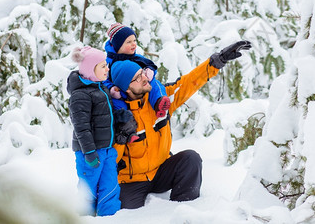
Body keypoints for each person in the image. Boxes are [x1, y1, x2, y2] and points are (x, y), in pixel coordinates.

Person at [110, 40, 252, 209]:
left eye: (142, 73)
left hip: (161, 170)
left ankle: (183, 211)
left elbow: (187, 83)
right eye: (137, 78)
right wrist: (120, 138)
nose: (144, 79)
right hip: (131, 180)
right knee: (127, 216)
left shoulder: (158, 100)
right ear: (126, 88)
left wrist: (217, 61)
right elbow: (111, 161)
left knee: (191, 159)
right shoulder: (116, 116)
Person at [67, 46, 121, 216]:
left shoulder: (101, 89)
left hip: (107, 149)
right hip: (89, 153)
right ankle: (84, 218)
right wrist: (89, 152)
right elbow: (81, 127)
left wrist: (122, 116)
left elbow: (107, 115)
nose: (107, 68)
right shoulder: (80, 95)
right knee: (88, 191)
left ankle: (110, 217)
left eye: (106, 65)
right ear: (91, 69)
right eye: (103, 66)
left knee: (110, 186)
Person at [104, 23, 171, 121]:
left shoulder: (136, 57)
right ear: (118, 46)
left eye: (134, 40)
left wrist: (149, 71)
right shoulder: (109, 62)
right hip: (122, 92)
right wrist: (111, 88)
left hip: (139, 86)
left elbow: (150, 64)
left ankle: (159, 102)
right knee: (115, 102)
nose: (133, 44)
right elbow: (103, 78)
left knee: (154, 83)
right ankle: (123, 122)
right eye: (129, 42)